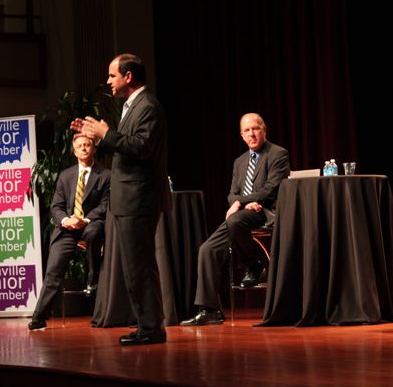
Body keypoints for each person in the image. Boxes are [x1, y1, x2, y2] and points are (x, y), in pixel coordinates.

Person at [70, 53, 172, 345]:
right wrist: (98, 137)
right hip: (129, 199)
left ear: (128, 77)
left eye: (112, 75)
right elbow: (126, 149)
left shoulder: (148, 106)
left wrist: (106, 135)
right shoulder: (132, 106)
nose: (108, 81)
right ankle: (147, 325)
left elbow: (141, 147)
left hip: (139, 198)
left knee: (139, 265)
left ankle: (151, 328)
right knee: (135, 265)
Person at [180, 112, 290, 326]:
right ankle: (210, 309)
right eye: (247, 130)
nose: (252, 133)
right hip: (242, 214)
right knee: (207, 249)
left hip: (266, 213)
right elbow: (231, 194)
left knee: (235, 221)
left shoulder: (278, 154)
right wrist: (242, 203)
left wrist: (240, 202)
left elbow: (271, 190)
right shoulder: (240, 162)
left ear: (264, 130)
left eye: (256, 128)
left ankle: (253, 264)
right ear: (241, 135)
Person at [28, 134, 110, 330]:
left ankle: (93, 279)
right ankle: (39, 317)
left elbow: (106, 205)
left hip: (90, 224)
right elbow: (56, 206)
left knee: (93, 232)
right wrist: (66, 220)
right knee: (53, 269)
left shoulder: (106, 175)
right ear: (74, 151)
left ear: (94, 149)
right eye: (79, 146)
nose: (83, 148)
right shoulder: (66, 175)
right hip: (68, 228)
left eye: (87, 145)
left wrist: (85, 219)